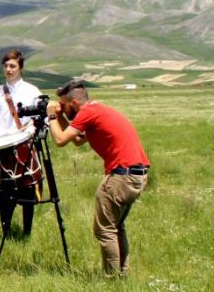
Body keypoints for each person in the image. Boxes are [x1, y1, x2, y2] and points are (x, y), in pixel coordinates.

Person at [47, 80, 149, 277]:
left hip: (122, 175)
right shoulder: (97, 110)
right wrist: (59, 117)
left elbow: (59, 140)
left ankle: (111, 279)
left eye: (63, 105)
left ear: (74, 103)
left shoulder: (87, 113)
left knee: (105, 230)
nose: (61, 108)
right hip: (136, 174)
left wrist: (51, 115)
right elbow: (77, 140)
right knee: (115, 227)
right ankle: (121, 275)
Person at [0, 49, 42, 237]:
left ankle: (27, 233)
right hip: (2, 146)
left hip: (25, 144)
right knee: (4, 193)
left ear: (21, 68)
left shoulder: (32, 91)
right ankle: (6, 232)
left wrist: (32, 129)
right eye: (5, 66)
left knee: (28, 191)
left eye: (13, 66)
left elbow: (41, 116)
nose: (8, 69)